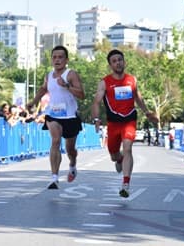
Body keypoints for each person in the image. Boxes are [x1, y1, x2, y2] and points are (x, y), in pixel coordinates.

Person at [91, 49, 158, 198]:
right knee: (114, 155)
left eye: (120, 60)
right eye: (114, 61)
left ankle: (126, 184)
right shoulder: (104, 82)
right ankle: (119, 159)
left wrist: (147, 113)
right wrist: (96, 119)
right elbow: (96, 102)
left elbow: (138, 98)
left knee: (127, 149)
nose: (118, 63)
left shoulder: (132, 80)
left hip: (129, 120)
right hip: (113, 123)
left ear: (124, 62)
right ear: (110, 65)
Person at [26, 45, 85, 189]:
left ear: (66, 60)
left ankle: (72, 164)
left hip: (70, 116)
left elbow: (82, 95)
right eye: (54, 57)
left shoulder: (71, 74)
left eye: (60, 57)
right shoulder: (49, 75)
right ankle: (54, 177)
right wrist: (33, 101)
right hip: (54, 115)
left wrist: (66, 86)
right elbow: (43, 88)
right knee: (55, 141)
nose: (57, 60)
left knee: (70, 149)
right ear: (51, 60)